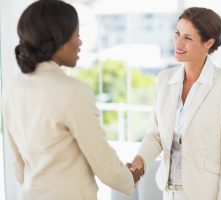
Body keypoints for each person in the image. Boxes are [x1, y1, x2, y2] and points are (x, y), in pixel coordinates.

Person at [1, 0, 141, 199]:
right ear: (59, 40)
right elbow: (103, 162)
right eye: (77, 35)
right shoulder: (73, 91)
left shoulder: (12, 88)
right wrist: (130, 177)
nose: (80, 42)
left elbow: (18, 162)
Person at [129, 7, 221, 200]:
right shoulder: (164, 80)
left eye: (188, 38)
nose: (179, 43)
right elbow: (155, 134)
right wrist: (139, 160)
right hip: (169, 192)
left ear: (208, 43)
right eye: (177, 34)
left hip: (206, 195)